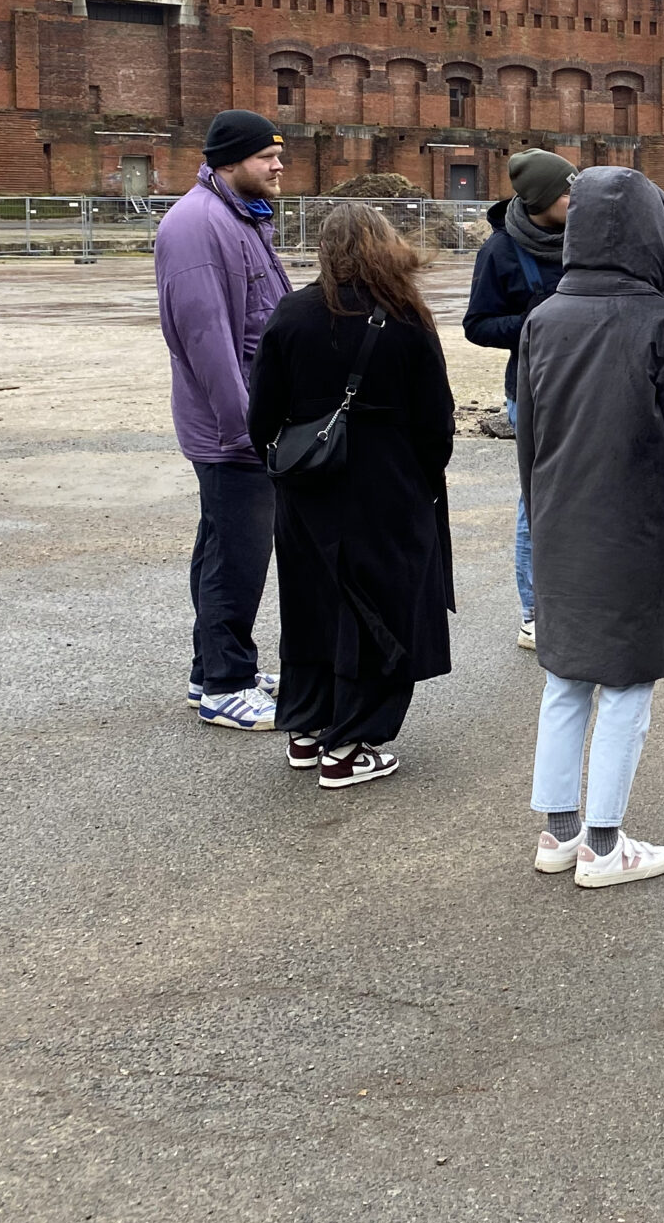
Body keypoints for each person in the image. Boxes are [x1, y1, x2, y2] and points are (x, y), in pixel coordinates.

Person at [514, 167, 664, 887]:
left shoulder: (543, 319)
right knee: (629, 683)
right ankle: (605, 845)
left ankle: (558, 832)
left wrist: (539, 521)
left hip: (562, 521)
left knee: (566, 678)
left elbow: (529, 438)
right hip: (635, 526)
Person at [247, 203, 456, 789]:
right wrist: (422, 476)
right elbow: (436, 419)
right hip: (386, 485)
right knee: (381, 609)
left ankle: (307, 729)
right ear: (385, 245)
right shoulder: (406, 316)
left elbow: (260, 414)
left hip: (308, 486)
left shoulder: (292, 313)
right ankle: (350, 745)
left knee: (312, 604)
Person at [154, 109, 291, 731]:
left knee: (222, 545)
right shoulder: (197, 226)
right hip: (232, 427)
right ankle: (225, 685)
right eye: (267, 156)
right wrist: (245, 431)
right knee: (236, 554)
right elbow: (208, 340)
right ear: (231, 162)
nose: (279, 164)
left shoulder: (238, 216)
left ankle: (210, 666)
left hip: (247, 418)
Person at [464, 148, 575, 652]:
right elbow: (477, 326)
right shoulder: (501, 252)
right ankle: (534, 612)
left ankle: (575, 600)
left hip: (586, 384)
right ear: (541, 199)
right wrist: (534, 321)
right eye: (567, 191)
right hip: (532, 391)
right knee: (537, 503)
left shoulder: (584, 235)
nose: (576, 199)